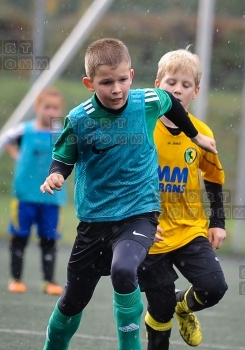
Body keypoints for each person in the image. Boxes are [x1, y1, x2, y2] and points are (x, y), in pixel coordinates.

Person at [39, 38, 218, 350]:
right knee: (71, 302)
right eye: (106, 82)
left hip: (139, 214)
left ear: (131, 76)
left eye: (122, 79)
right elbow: (64, 157)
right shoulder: (79, 119)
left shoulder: (146, 101)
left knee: (124, 270)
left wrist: (195, 135)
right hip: (95, 221)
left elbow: (170, 103)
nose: (117, 89)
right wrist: (56, 174)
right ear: (89, 83)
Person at [137, 48, 228, 350]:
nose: (177, 89)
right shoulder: (142, 128)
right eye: (171, 82)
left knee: (214, 288)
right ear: (157, 85)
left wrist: (217, 222)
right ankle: (166, 313)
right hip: (150, 233)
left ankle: (183, 305)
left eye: (186, 85)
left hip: (190, 230)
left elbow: (214, 179)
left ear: (196, 91)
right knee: (158, 309)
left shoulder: (201, 134)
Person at [2, 87, 67, 295]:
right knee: (19, 238)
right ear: (37, 107)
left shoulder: (61, 132)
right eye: (47, 107)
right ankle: (16, 279)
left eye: (55, 108)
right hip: (25, 197)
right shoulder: (25, 129)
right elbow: (5, 139)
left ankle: (49, 281)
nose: (51, 112)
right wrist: (17, 154)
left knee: (49, 240)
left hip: (52, 199)